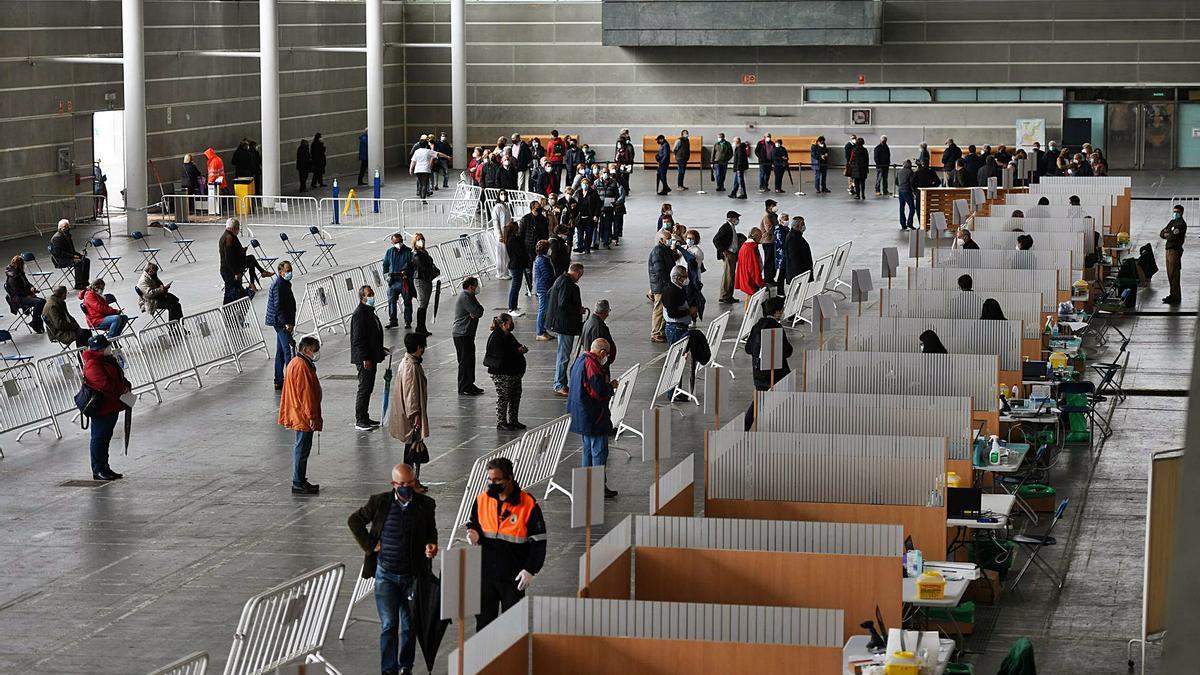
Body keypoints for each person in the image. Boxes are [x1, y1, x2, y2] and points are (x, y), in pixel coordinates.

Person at [346, 463, 438, 675]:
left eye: (411, 483)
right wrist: (370, 544)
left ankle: (406, 666)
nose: (407, 487)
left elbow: (430, 532)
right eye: (402, 484)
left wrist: (431, 546)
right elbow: (354, 520)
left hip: (413, 575)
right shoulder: (379, 502)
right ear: (393, 484)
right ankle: (388, 670)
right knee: (389, 625)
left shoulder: (426, 504)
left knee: (410, 624)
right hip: (385, 575)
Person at [466, 457, 547, 629]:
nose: (492, 483)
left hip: (513, 577)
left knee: (513, 625)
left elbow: (539, 541)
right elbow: (474, 522)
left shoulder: (527, 503)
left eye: (497, 480)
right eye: (489, 479)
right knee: (484, 623)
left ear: (509, 478)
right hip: (486, 575)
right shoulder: (482, 500)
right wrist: (472, 531)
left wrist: (530, 569)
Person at [567, 339, 618, 497]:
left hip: (581, 415)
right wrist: (611, 386)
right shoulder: (593, 366)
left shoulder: (580, 361)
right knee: (599, 452)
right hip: (594, 416)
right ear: (602, 352)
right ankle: (598, 487)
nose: (606, 358)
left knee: (587, 451)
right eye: (606, 354)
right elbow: (598, 392)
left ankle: (585, 484)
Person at [80, 335, 129, 480]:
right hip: (102, 408)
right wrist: (122, 389)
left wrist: (124, 384)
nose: (109, 348)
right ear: (100, 349)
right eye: (106, 346)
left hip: (111, 405)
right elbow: (103, 384)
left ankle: (105, 467)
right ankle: (98, 469)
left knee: (105, 438)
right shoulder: (93, 364)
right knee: (99, 438)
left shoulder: (106, 359)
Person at [279, 336, 323, 495]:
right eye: (314, 350)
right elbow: (306, 395)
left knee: (302, 447)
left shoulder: (297, 363)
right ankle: (298, 481)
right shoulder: (302, 366)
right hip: (303, 415)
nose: (316, 353)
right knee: (302, 448)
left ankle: (301, 479)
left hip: (299, 413)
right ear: (306, 350)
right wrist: (312, 416)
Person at [743, 297, 791, 430]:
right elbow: (787, 351)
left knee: (758, 402)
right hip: (777, 374)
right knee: (782, 402)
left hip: (759, 373)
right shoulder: (777, 328)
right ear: (776, 312)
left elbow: (748, 349)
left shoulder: (756, 327)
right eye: (782, 311)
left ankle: (745, 429)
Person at [389, 332, 431, 481]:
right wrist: (415, 416)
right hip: (411, 417)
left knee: (412, 448)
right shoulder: (410, 366)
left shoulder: (409, 362)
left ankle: (411, 479)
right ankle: (409, 479)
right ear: (419, 347)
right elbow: (410, 394)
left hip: (410, 415)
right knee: (412, 449)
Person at [349, 285, 388, 430]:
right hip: (365, 359)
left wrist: (380, 350)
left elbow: (372, 335)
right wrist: (365, 357)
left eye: (372, 293)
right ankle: (360, 419)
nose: (372, 296)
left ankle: (365, 416)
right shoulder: (360, 314)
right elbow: (358, 339)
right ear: (362, 298)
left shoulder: (369, 312)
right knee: (364, 387)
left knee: (369, 387)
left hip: (371, 355)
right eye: (368, 294)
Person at [484, 313, 528, 430]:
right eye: (510, 322)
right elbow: (502, 355)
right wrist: (517, 351)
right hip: (502, 373)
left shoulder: (508, 335)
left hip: (513, 373)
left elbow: (516, 346)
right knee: (503, 397)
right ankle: (501, 422)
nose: (512, 324)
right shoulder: (496, 337)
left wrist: (522, 349)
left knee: (515, 396)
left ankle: (513, 420)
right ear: (504, 324)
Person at [547, 262, 584, 396]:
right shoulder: (567, 284)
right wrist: (578, 310)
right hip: (565, 325)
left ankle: (560, 382)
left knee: (562, 354)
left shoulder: (560, 280)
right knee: (563, 355)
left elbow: (549, 293)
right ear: (578, 273)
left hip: (560, 323)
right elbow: (563, 304)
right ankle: (559, 384)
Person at [264, 261, 296, 390]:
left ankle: (278, 379)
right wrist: (287, 323)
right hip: (280, 322)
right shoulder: (278, 285)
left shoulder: (284, 283)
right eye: (287, 271)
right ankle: (291, 379)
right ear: (280, 272)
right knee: (287, 350)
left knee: (281, 351)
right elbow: (278, 307)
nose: (289, 273)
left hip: (282, 321)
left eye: (290, 270)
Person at [452, 277, 486, 396]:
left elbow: (479, 310)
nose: (478, 288)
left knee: (470, 360)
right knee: (464, 361)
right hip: (462, 334)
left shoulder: (470, 296)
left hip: (467, 334)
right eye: (476, 285)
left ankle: (470, 384)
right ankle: (463, 386)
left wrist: (476, 311)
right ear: (471, 286)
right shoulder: (466, 297)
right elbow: (477, 312)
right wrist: (475, 312)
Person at [4, 256, 46, 334]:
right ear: (19, 265)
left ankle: (36, 321)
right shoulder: (12, 277)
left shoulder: (19, 272)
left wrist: (31, 288)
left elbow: (27, 283)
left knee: (43, 301)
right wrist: (29, 294)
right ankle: (35, 323)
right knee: (39, 302)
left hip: (24, 295)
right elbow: (17, 292)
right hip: (18, 298)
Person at [647, 230, 676, 343]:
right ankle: (656, 332)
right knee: (659, 309)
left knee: (664, 308)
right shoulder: (658, 252)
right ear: (661, 240)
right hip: (660, 285)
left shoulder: (665, 250)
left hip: (664, 284)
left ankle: (661, 330)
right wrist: (668, 283)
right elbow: (660, 270)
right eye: (668, 239)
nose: (670, 241)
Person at [382, 233, 414, 329]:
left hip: (404, 281)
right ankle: (393, 320)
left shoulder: (409, 252)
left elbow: (413, 266)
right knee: (391, 300)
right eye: (396, 242)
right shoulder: (389, 252)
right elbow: (385, 265)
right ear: (392, 242)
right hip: (393, 281)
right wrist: (387, 277)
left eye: (400, 242)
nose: (398, 244)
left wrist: (408, 274)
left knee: (407, 301)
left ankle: (408, 321)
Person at [49, 219, 90, 291]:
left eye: (68, 226)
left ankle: (84, 282)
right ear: (60, 228)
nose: (67, 228)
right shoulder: (57, 238)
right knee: (78, 262)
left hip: (68, 257)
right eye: (65, 227)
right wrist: (72, 256)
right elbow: (58, 253)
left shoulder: (67, 236)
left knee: (86, 260)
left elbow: (72, 250)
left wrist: (79, 255)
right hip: (60, 259)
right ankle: (79, 284)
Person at [410, 233, 439, 337]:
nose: (421, 241)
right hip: (421, 280)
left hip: (427, 280)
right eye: (418, 240)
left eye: (422, 239)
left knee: (425, 304)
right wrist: (432, 273)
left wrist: (435, 271)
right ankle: (420, 327)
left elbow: (430, 265)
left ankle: (422, 327)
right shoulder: (416, 254)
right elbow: (423, 267)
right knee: (422, 304)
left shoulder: (424, 252)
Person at [663, 265, 696, 349]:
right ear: (678, 278)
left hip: (681, 327)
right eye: (685, 277)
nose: (687, 279)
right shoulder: (671, 292)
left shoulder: (679, 288)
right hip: (675, 329)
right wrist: (689, 312)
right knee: (676, 356)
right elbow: (672, 313)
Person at [500, 222, 528, 317]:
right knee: (515, 287)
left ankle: (514, 307)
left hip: (515, 265)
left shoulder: (509, 239)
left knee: (516, 287)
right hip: (516, 265)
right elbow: (520, 252)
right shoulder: (513, 240)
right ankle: (512, 308)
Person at [1161, 204, 1187, 305]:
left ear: (1181, 213)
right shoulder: (1172, 222)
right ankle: (1173, 294)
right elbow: (1162, 233)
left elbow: (1172, 237)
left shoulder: (1181, 224)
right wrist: (1167, 234)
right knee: (1170, 274)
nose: (1175, 214)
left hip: (1174, 251)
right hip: (1168, 251)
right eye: (1174, 212)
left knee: (1174, 274)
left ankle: (1175, 296)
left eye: (1177, 212)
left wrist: (1168, 234)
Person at [713, 210, 741, 303]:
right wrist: (724, 251)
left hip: (732, 253)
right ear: (731, 219)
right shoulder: (725, 227)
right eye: (736, 218)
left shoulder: (731, 227)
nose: (737, 220)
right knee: (728, 276)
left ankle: (729, 295)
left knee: (731, 275)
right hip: (729, 254)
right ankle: (725, 296)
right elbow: (716, 239)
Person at [580, 299, 616, 367]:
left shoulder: (588, 322)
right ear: (605, 312)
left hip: (590, 360)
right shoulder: (598, 327)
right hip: (596, 364)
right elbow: (598, 348)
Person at [532, 241, 555, 341]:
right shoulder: (542, 260)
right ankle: (540, 332)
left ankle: (543, 330)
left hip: (544, 287)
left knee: (545, 310)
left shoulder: (542, 259)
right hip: (544, 288)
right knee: (543, 310)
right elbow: (547, 275)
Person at [735, 227, 765, 299]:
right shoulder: (750, 249)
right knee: (751, 302)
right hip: (751, 281)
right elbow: (753, 269)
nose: (761, 239)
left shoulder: (744, 246)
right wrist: (761, 283)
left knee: (748, 299)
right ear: (756, 236)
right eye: (760, 237)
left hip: (745, 278)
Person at [784, 216, 814, 286]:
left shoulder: (797, 235)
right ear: (797, 226)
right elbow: (794, 259)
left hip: (802, 274)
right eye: (802, 224)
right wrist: (800, 277)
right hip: (798, 276)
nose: (804, 226)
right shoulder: (793, 238)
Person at [574, 177, 601, 253]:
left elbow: (598, 205)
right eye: (583, 183)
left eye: (586, 184)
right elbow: (574, 201)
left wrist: (596, 215)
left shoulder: (593, 193)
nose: (585, 185)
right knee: (580, 233)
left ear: (589, 185)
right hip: (580, 217)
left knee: (589, 233)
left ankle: (587, 247)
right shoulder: (578, 193)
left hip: (590, 217)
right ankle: (580, 246)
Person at [759, 200, 779, 286]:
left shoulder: (773, 215)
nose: (775, 207)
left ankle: (771, 277)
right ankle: (768, 278)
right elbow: (769, 230)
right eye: (773, 205)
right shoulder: (767, 217)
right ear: (768, 207)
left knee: (773, 260)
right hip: (768, 242)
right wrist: (778, 227)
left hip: (773, 241)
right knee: (769, 260)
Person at [895, 160, 916, 231]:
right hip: (907, 191)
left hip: (900, 191)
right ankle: (910, 223)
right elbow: (912, 182)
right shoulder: (910, 172)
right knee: (912, 208)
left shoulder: (899, 171)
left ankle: (903, 224)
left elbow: (896, 182)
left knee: (901, 208)